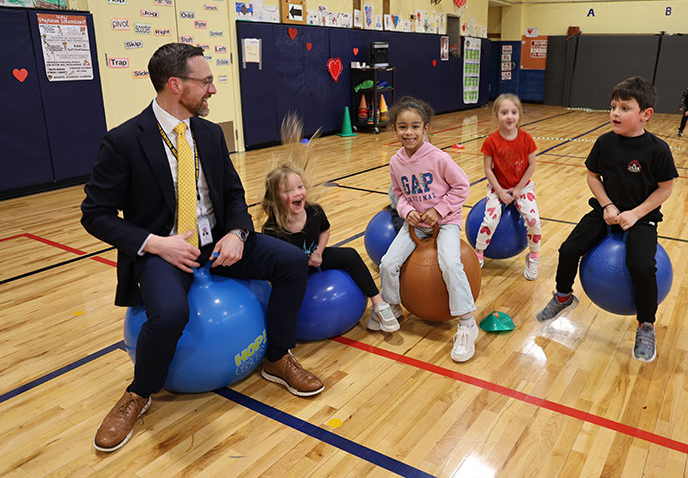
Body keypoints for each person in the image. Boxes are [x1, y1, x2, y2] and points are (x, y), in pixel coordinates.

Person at [81, 43, 324, 453]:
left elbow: (232, 194)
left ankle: (277, 356)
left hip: (219, 240)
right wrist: (156, 244)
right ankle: (139, 393)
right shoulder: (123, 141)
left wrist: (238, 233)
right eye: (206, 81)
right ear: (175, 85)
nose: (212, 89)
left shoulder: (209, 133)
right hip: (165, 248)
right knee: (170, 314)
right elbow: (95, 214)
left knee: (290, 262)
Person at [535, 76, 678, 363]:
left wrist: (635, 213)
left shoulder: (657, 149)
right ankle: (563, 296)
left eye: (624, 108)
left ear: (645, 114)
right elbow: (592, 176)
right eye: (613, 107)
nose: (615, 113)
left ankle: (646, 324)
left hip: (642, 217)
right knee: (568, 249)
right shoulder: (604, 142)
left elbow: (666, 188)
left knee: (642, 267)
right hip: (606, 211)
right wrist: (607, 205)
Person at [260, 117, 400, 332]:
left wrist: (318, 251)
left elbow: (325, 230)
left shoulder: (314, 211)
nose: (297, 193)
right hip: (293, 272)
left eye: (299, 187)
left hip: (314, 258)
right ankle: (283, 331)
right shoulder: (272, 229)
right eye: (288, 190)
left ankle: (379, 304)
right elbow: (273, 263)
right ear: (275, 198)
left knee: (350, 255)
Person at [379, 96, 479, 362]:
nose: (408, 132)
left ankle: (467, 322)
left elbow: (462, 186)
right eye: (402, 127)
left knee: (450, 263)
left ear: (426, 128)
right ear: (395, 129)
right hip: (416, 224)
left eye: (415, 126)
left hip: (445, 222)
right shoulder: (396, 162)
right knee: (388, 263)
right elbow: (399, 194)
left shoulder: (439, 158)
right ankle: (393, 307)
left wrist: (440, 210)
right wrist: (406, 211)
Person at [474, 93, 541, 279]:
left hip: (523, 187)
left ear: (519, 114)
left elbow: (531, 165)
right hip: (498, 188)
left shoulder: (526, 139)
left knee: (533, 221)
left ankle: (534, 257)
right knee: (489, 221)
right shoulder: (491, 141)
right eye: (504, 112)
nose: (509, 116)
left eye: (513, 112)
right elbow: (487, 169)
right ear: (497, 116)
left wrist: (518, 189)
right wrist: (500, 192)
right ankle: (478, 253)